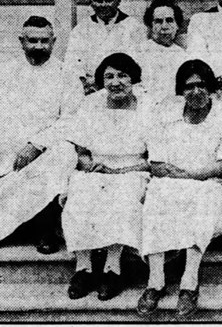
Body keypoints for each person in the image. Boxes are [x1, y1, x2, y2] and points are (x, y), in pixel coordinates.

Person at [0, 16, 83, 267]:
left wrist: (36, 144)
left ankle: (45, 229)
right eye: (32, 40)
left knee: (64, 153)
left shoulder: (66, 75)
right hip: (1, 161)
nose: (39, 46)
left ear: (54, 42)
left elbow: (71, 120)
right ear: (21, 42)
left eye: (45, 41)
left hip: (43, 157)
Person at [137, 60, 222, 319]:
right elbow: (158, 163)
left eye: (201, 85)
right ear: (180, 90)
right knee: (157, 193)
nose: (195, 91)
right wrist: (181, 176)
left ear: (212, 88)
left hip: (213, 185)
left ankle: (189, 281)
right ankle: (155, 280)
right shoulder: (166, 115)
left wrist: (191, 174)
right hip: (172, 182)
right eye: (189, 86)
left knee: (203, 196)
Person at [62, 53, 151, 301]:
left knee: (123, 195)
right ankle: (84, 268)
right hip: (97, 167)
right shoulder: (90, 105)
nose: (115, 82)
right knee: (80, 189)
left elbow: (155, 155)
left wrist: (123, 170)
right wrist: (89, 165)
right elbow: (80, 151)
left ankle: (113, 267)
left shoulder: (148, 106)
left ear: (134, 79)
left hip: (133, 169)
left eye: (122, 75)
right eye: (109, 76)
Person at [65, 0, 146, 94]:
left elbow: (139, 64)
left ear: (118, 1)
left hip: (124, 90)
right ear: (91, 2)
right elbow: (73, 67)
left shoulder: (133, 27)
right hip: (91, 92)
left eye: (108, 0)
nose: (103, 5)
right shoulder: (81, 29)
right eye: (98, 0)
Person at [130, 0, 189, 104]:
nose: (164, 26)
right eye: (158, 21)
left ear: (177, 25)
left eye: (170, 20)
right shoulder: (138, 52)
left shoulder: (183, 55)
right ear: (150, 25)